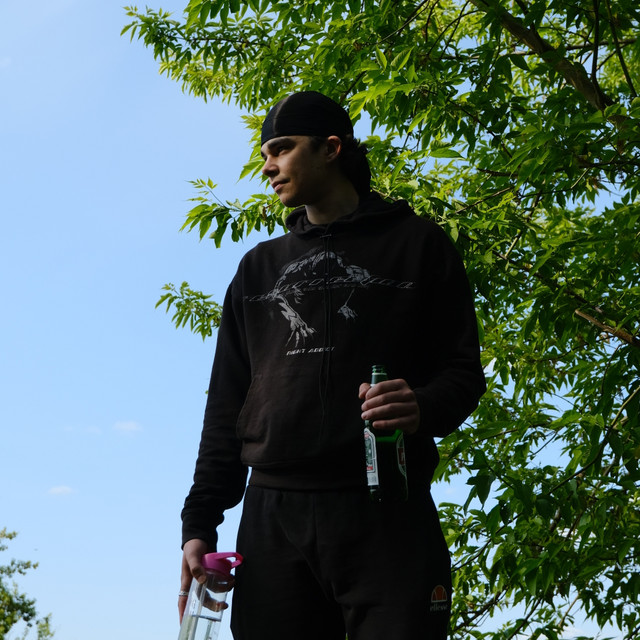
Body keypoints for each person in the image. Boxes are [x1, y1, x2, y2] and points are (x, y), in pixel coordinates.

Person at [178, 90, 486, 640]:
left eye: (281, 148)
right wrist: (200, 523)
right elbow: (226, 405)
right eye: (265, 154)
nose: (268, 166)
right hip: (273, 519)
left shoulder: (419, 245)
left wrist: (421, 406)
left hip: (386, 513)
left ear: (331, 148)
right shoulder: (257, 269)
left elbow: (463, 374)